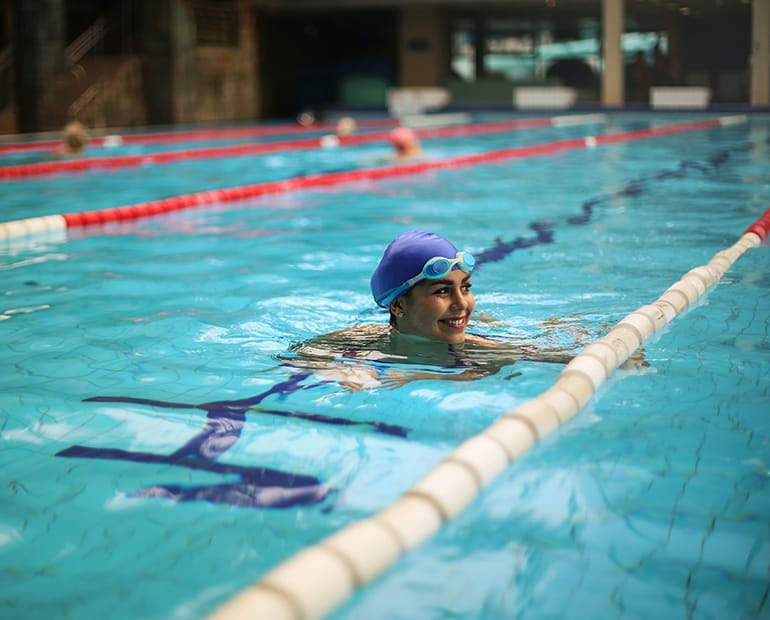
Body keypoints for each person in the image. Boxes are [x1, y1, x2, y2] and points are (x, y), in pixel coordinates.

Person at [288, 230, 581, 390]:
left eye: (465, 287)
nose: (462, 303)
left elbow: (561, 358)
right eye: (442, 291)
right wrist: (340, 370)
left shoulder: (481, 348)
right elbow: (301, 354)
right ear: (398, 305)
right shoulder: (362, 338)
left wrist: (421, 377)